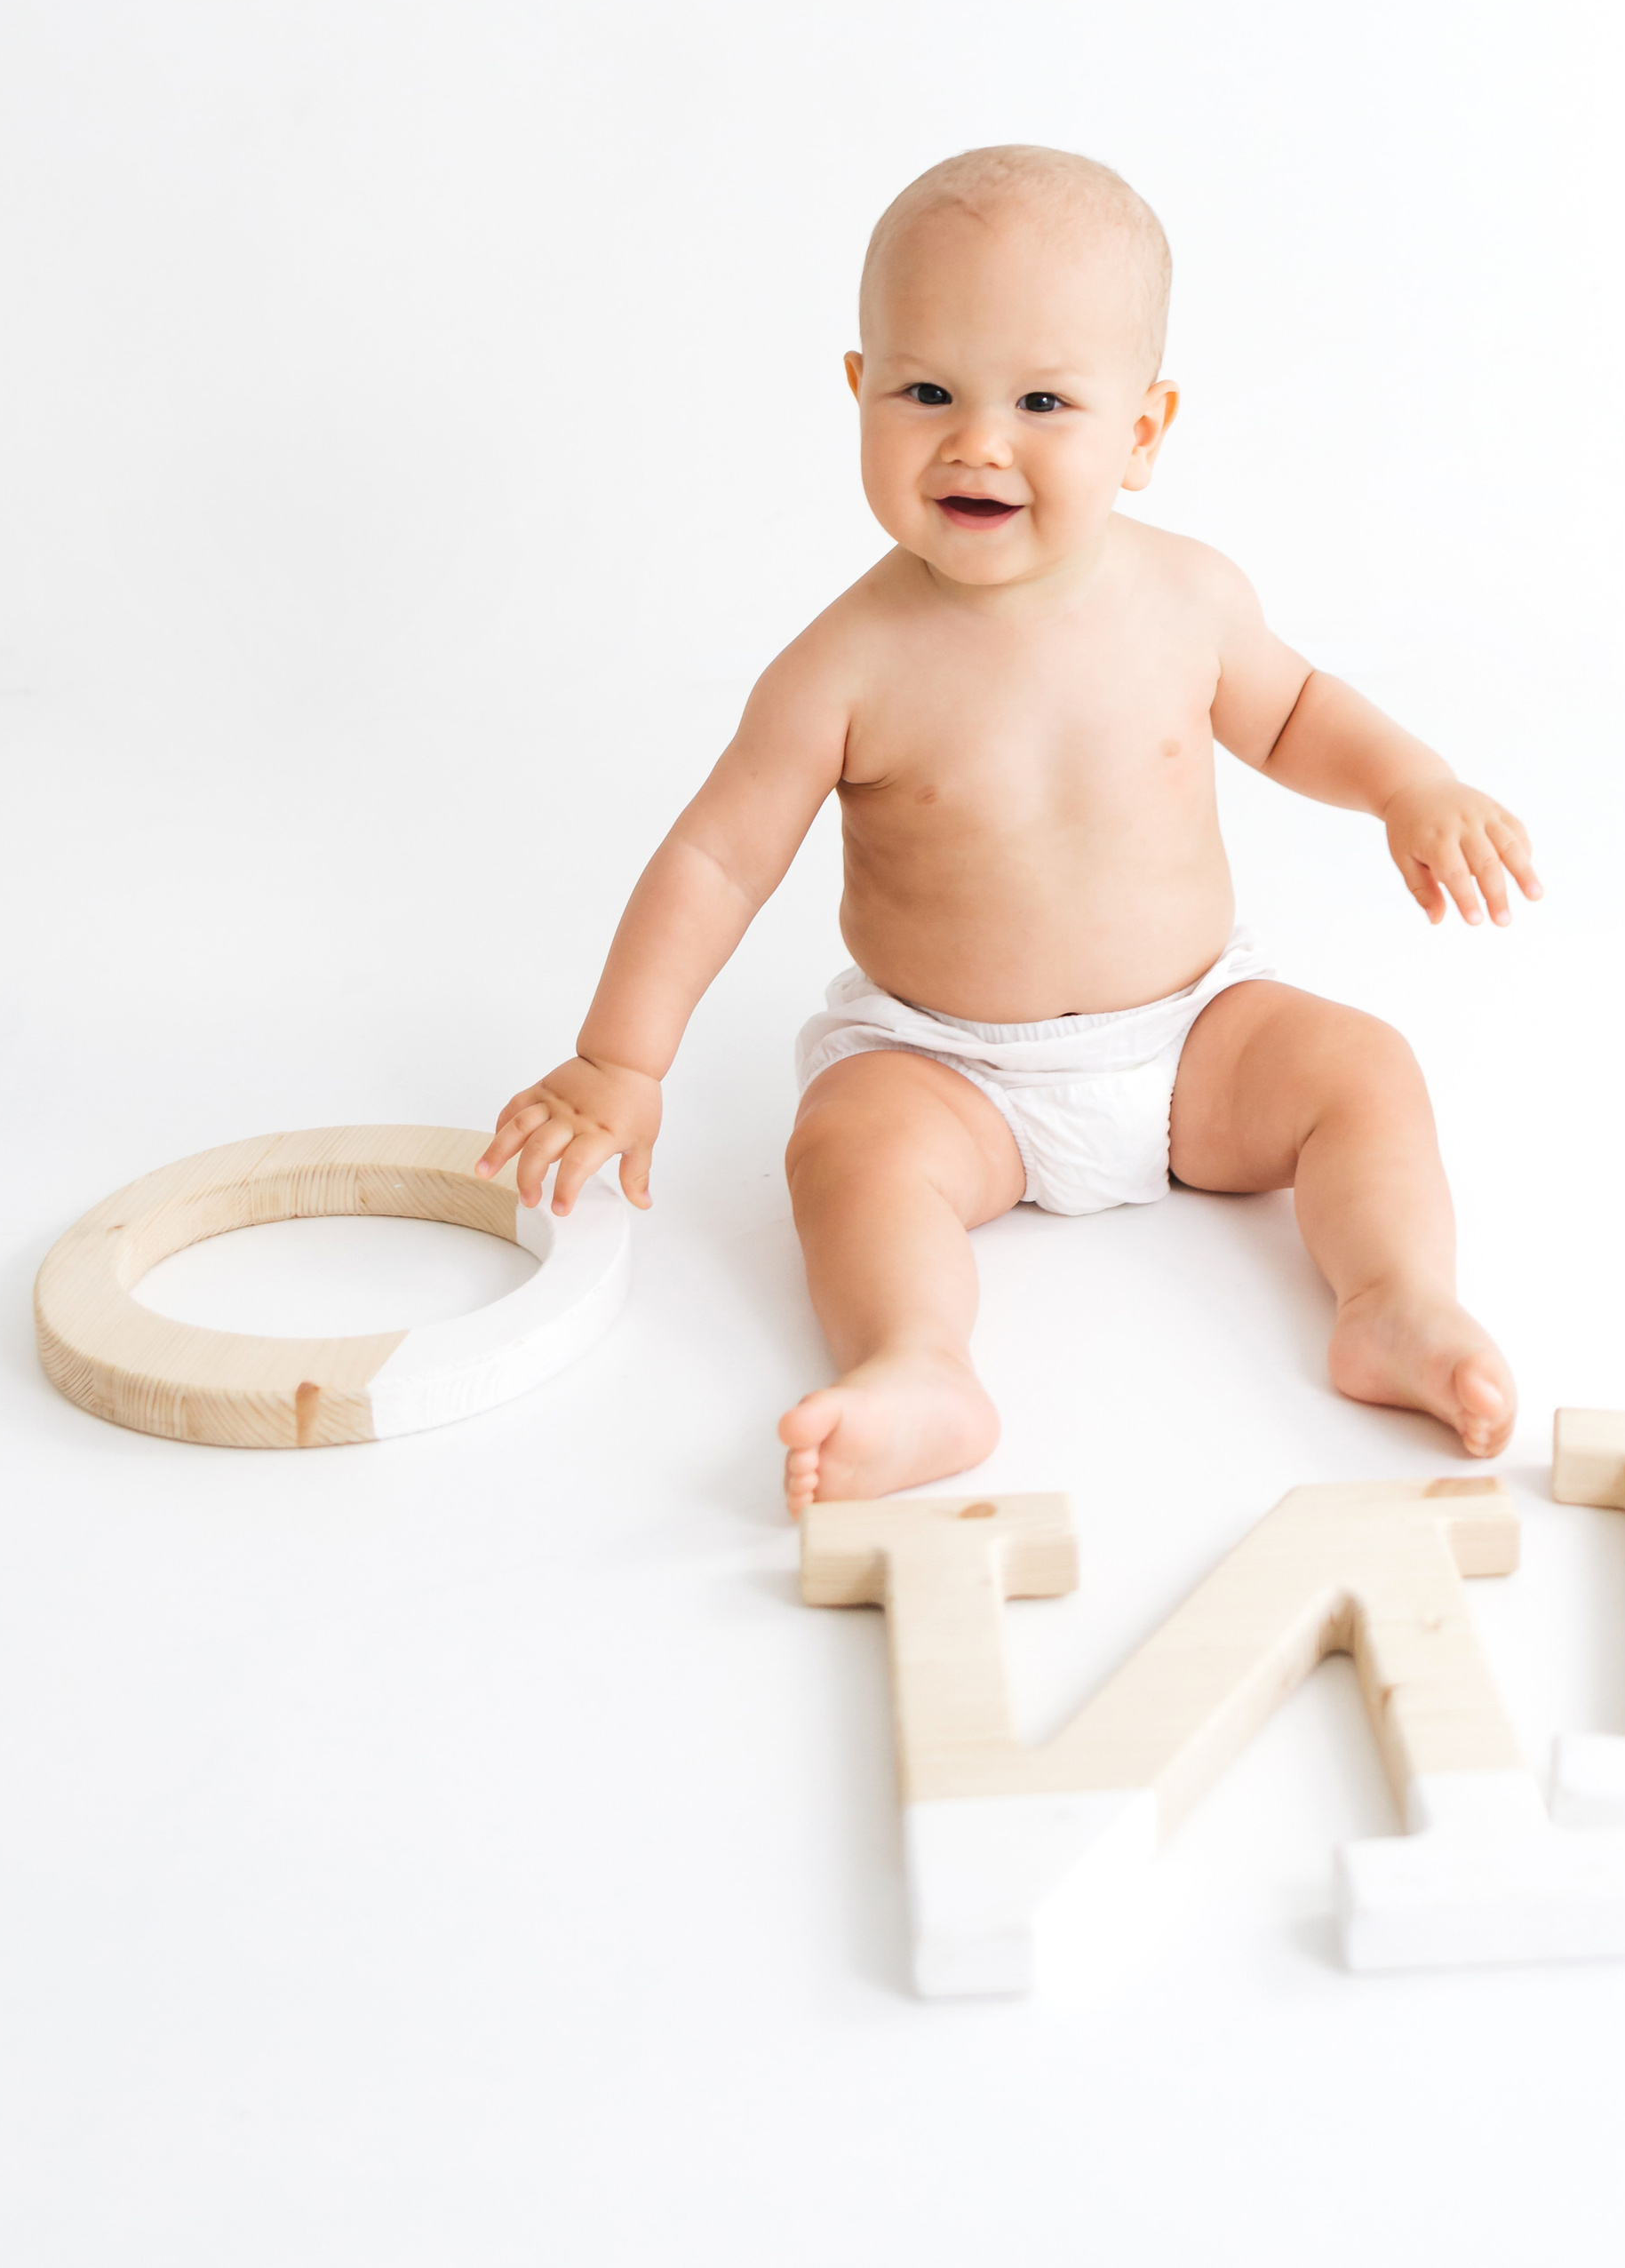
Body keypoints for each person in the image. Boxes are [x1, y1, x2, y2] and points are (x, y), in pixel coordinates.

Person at [479, 146, 1541, 1511]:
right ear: (859, 391)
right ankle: (919, 1363)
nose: (978, 441)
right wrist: (616, 1060)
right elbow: (719, 859)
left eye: (1043, 400)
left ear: (1143, 431)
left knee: (1362, 1069)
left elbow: (1295, 713)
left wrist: (1411, 786)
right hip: (948, 1065)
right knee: (849, 1150)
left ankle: (1393, 1297)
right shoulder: (845, 664)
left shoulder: (1191, 599)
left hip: (1195, 1034)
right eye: (927, 391)